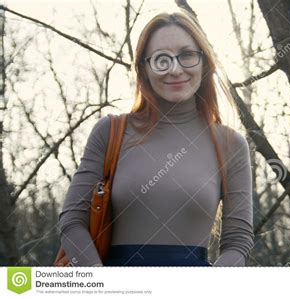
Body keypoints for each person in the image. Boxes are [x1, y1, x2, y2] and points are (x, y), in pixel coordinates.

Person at [58, 11, 254, 266]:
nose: (175, 69)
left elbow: (238, 241)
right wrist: (102, 286)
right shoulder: (110, 131)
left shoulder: (230, 144)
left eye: (187, 55)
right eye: (161, 59)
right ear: (143, 68)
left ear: (205, 63)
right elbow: (72, 222)